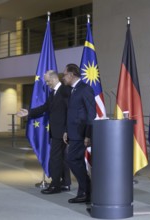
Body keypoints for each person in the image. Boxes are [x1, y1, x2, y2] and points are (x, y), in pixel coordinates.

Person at [17, 70, 72, 194]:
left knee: (54, 158)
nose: (47, 84)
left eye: (47, 81)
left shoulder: (65, 91)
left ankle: (55, 185)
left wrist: (66, 130)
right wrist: (29, 112)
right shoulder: (53, 93)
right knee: (62, 158)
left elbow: (70, 112)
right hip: (56, 131)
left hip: (62, 132)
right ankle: (65, 183)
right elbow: (45, 108)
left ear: (53, 79)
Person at [62, 64, 96, 203]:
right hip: (73, 132)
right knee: (76, 161)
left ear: (71, 75)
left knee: (72, 159)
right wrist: (66, 131)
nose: (63, 77)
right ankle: (85, 192)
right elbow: (72, 112)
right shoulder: (73, 90)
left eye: (64, 74)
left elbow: (91, 113)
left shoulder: (85, 89)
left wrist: (88, 134)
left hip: (81, 133)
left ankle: (87, 190)